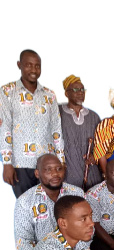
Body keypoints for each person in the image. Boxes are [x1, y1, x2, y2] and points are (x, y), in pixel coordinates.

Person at [0, 49, 64, 198]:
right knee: (26, 206)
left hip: (47, 164)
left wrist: (61, 160)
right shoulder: (7, 92)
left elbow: (56, 128)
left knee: (48, 208)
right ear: (19, 65)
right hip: (20, 163)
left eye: (37, 66)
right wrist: (7, 163)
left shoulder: (49, 95)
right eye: (28, 65)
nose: (34, 70)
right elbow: (5, 128)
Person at [14, 154, 84, 250]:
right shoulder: (25, 201)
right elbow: (22, 242)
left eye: (59, 169)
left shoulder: (77, 194)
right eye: (48, 170)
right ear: (37, 174)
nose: (55, 173)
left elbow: (87, 229)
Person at [59, 75, 102, 191]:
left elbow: (103, 144)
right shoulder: (57, 113)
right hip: (68, 173)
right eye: (76, 90)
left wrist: (96, 156)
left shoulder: (94, 116)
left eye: (82, 89)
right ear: (66, 93)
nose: (80, 93)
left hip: (91, 173)